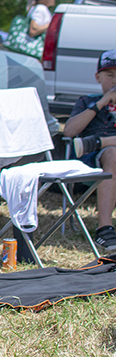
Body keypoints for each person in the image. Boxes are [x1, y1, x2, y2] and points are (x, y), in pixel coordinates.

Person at [65, 49, 116, 252]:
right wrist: (102, 102)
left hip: (103, 151)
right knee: (113, 153)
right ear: (98, 77)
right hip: (94, 163)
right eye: (110, 75)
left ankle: (98, 141)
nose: (115, 81)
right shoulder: (87, 102)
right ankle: (104, 228)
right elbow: (69, 131)